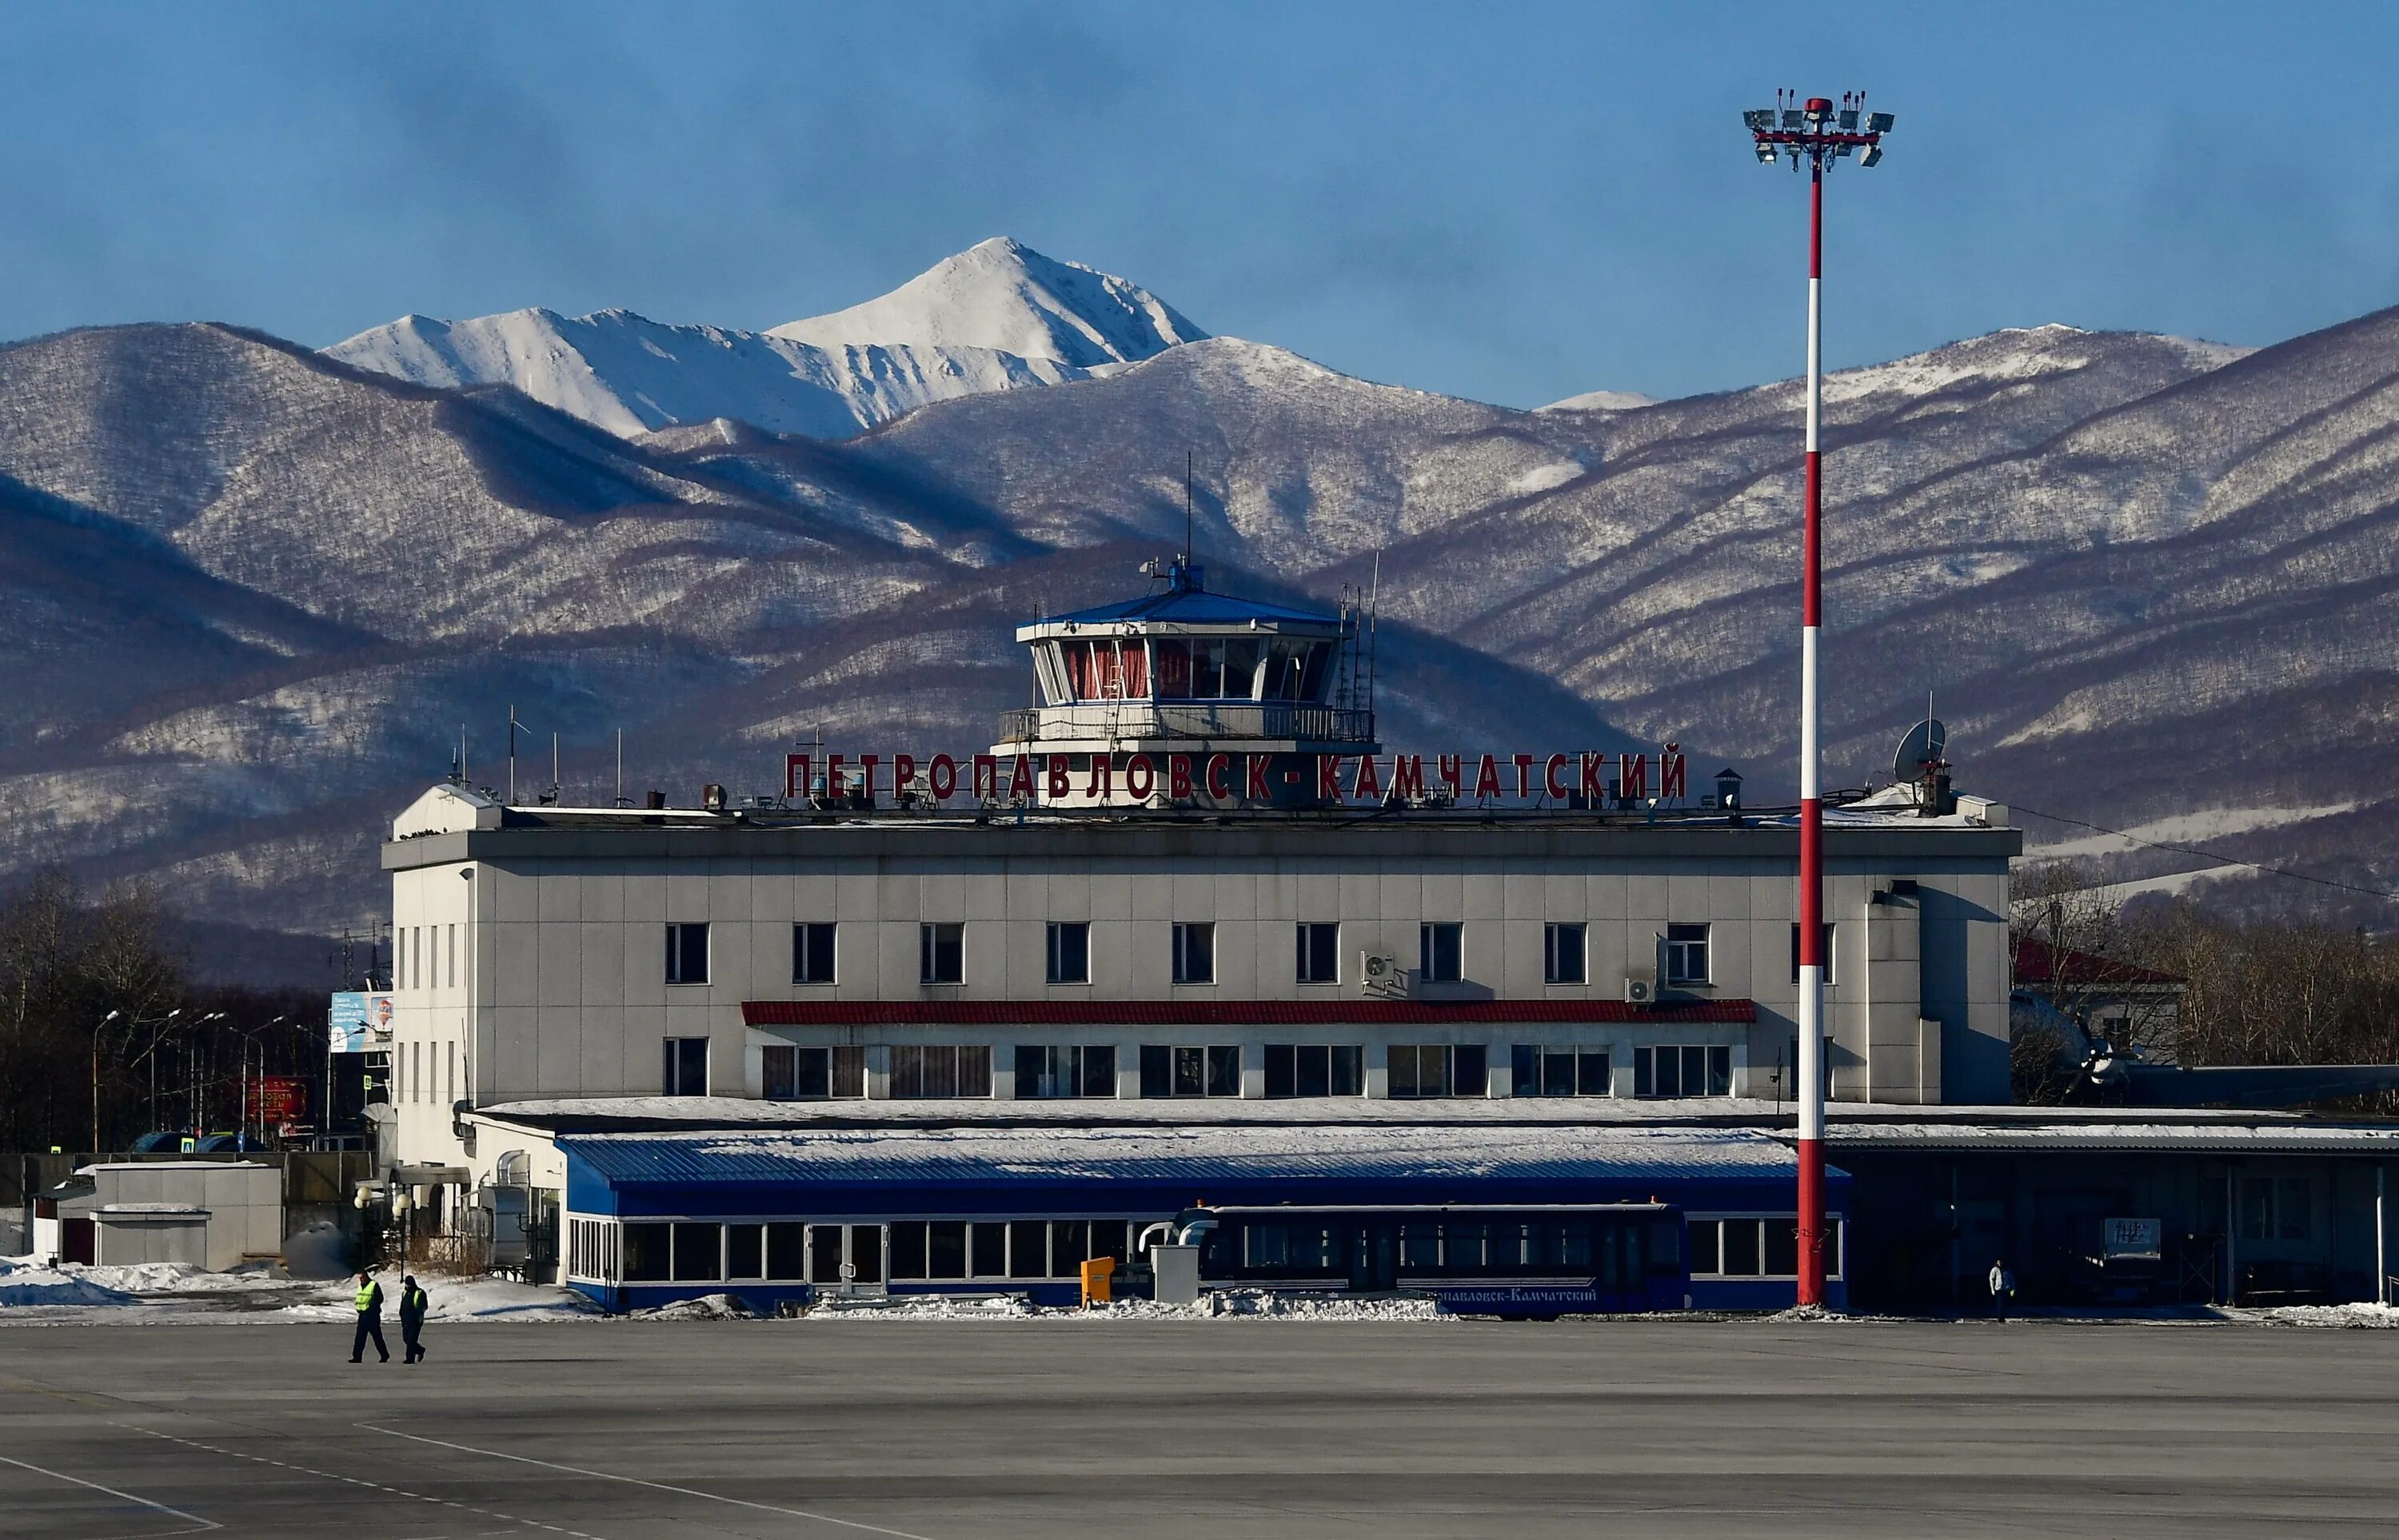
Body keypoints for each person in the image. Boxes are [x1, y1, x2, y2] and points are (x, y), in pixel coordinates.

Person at [350, 1271, 389, 1362]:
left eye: (362, 1277)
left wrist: (372, 1307)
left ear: (367, 1277)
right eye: (360, 1278)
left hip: (372, 1316)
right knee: (359, 1338)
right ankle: (357, 1357)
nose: (361, 1279)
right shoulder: (360, 1286)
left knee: (377, 1337)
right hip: (362, 1315)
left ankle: (384, 1355)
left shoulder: (373, 1285)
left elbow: (380, 1298)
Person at [398, 1275, 429, 1364]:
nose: (408, 1286)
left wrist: (417, 1313)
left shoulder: (420, 1292)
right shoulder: (404, 1293)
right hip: (405, 1321)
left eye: (409, 1284)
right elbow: (403, 1305)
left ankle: (410, 1359)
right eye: (407, 1284)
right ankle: (420, 1350)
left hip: (415, 1321)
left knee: (412, 1340)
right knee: (406, 1339)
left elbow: (424, 1306)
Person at [1988, 1259, 2018, 1323]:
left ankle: (2004, 1316)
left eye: (2001, 1262)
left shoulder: (2007, 1271)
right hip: (1999, 1289)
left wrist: (2013, 1289)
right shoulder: (1995, 1270)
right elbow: (1992, 1279)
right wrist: (1992, 1289)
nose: (2000, 1263)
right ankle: (2000, 1318)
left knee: (2006, 1304)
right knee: (2000, 1304)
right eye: (1999, 1262)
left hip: (2006, 1289)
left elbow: (2012, 1280)